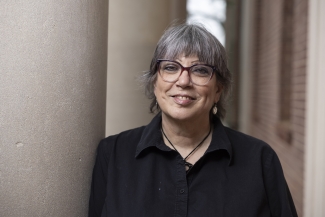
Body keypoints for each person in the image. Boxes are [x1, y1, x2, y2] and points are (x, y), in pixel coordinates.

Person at [88, 23, 298, 217]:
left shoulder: (259, 160)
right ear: (154, 83)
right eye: (170, 67)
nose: (184, 81)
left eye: (200, 70)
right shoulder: (113, 154)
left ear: (218, 90)